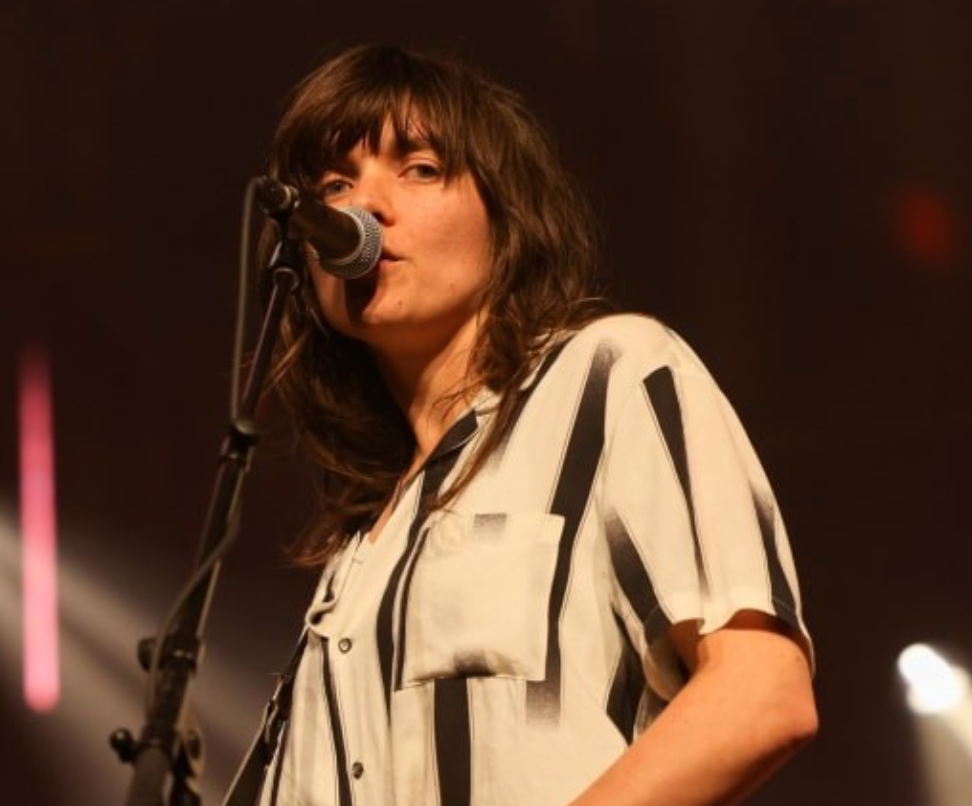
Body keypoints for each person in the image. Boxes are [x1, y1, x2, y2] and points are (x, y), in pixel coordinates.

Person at [246, 43, 817, 806]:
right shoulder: (360, 556)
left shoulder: (610, 375)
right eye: (334, 185)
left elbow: (762, 693)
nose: (364, 207)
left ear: (505, 215)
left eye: (420, 168)